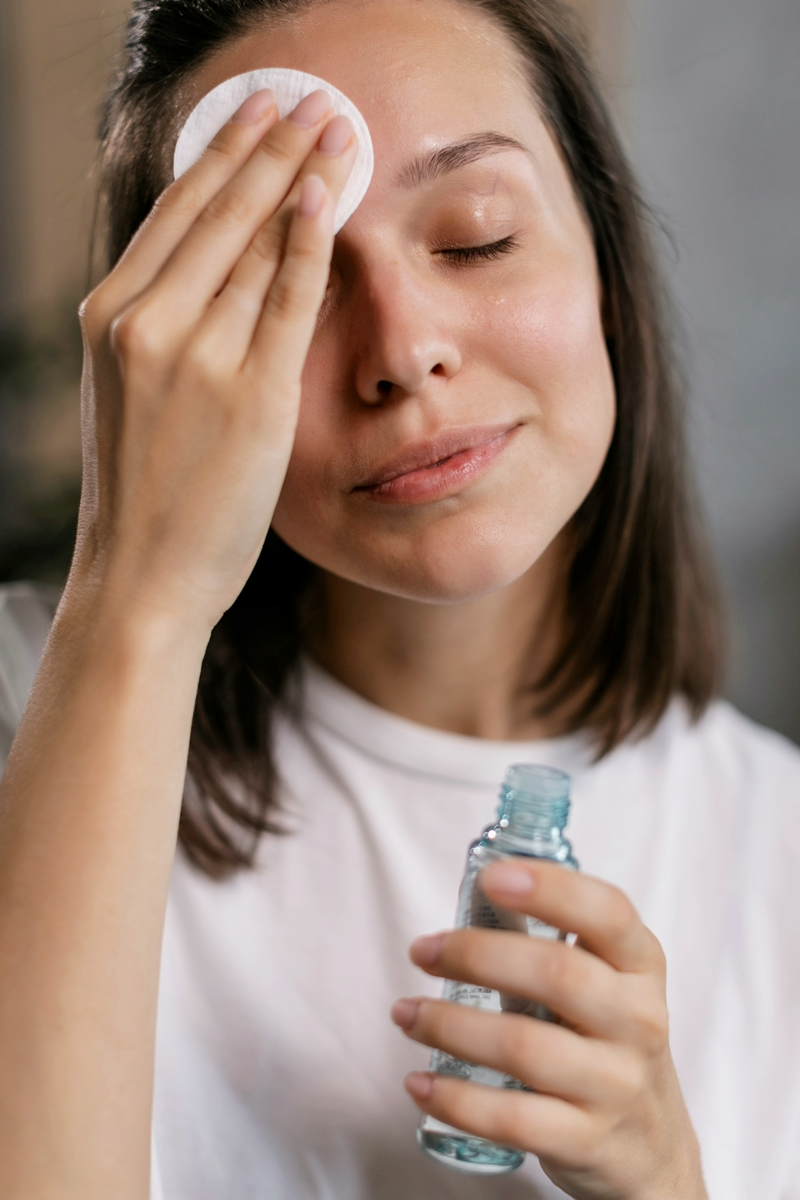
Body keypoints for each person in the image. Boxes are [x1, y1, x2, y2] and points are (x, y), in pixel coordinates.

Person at [0, 0, 798, 1196]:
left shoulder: (774, 853)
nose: (401, 349)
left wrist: (664, 1180)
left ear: (605, 264)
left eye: (474, 237)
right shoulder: (29, 708)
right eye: (295, 279)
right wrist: (139, 598)